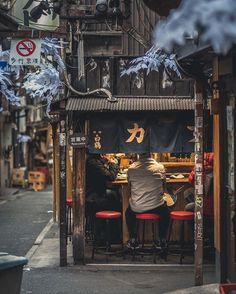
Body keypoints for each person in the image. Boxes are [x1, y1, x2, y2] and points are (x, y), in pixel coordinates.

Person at [125, 153, 169, 249]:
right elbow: (164, 187)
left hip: (137, 208)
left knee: (128, 213)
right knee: (165, 211)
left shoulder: (131, 169)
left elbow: (129, 187)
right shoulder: (160, 167)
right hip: (156, 207)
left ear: (139, 155)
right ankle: (161, 240)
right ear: (151, 154)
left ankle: (133, 240)